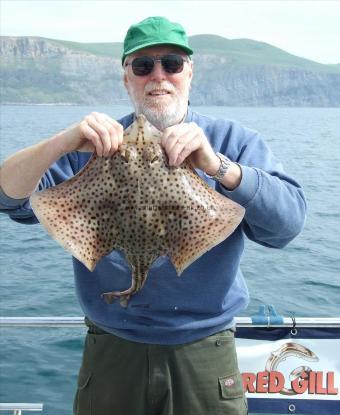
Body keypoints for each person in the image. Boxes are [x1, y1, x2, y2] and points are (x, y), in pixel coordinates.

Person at [0, 16, 306, 415]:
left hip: (204, 351)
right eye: (142, 66)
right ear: (127, 78)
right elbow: (9, 199)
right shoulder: (93, 146)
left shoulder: (234, 141)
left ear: (189, 73)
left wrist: (219, 168)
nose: (158, 76)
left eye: (172, 65)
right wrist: (61, 143)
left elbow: (287, 227)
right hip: (112, 348)